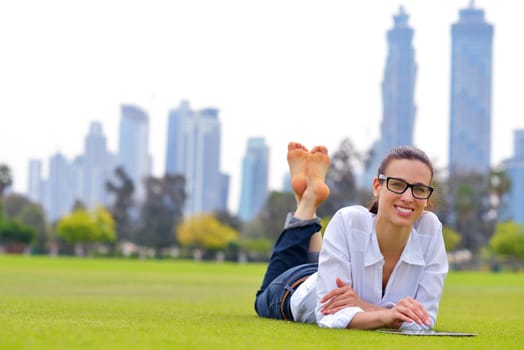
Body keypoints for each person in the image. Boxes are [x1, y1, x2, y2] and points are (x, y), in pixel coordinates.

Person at [254, 141, 448, 331]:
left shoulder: (430, 230)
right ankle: (307, 202)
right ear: (376, 186)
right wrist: (385, 315)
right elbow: (329, 315)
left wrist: (361, 305)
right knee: (262, 298)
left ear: (428, 196)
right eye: (397, 184)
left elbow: (423, 321)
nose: (408, 197)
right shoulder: (349, 221)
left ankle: (307, 199)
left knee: (320, 266)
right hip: (296, 287)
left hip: (331, 270)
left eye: (419, 189)